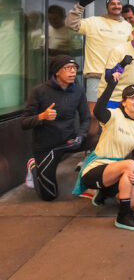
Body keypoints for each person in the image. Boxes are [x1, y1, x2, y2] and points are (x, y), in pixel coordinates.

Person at [73, 73, 134, 231]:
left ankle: (105, 191)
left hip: (118, 172)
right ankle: (123, 216)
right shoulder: (114, 115)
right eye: (132, 98)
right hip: (95, 168)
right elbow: (98, 110)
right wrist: (111, 85)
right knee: (130, 164)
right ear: (123, 101)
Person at [65, 0, 132, 140]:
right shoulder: (93, 22)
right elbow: (71, 23)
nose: (116, 6)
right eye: (113, 3)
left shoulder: (128, 27)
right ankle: (90, 150)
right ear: (107, 5)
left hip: (118, 77)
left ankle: (113, 148)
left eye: (119, 3)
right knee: (94, 114)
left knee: (117, 113)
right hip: (96, 75)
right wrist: (80, 6)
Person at [21, 56, 89, 201]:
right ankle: (34, 166)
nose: (72, 72)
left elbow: (86, 118)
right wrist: (41, 117)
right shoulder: (39, 91)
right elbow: (24, 122)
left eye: (75, 68)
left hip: (70, 141)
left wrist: (81, 136)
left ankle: (93, 183)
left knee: (99, 139)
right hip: (46, 146)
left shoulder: (78, 91)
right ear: (57, 72)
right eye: (68, 68)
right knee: (49, 196)